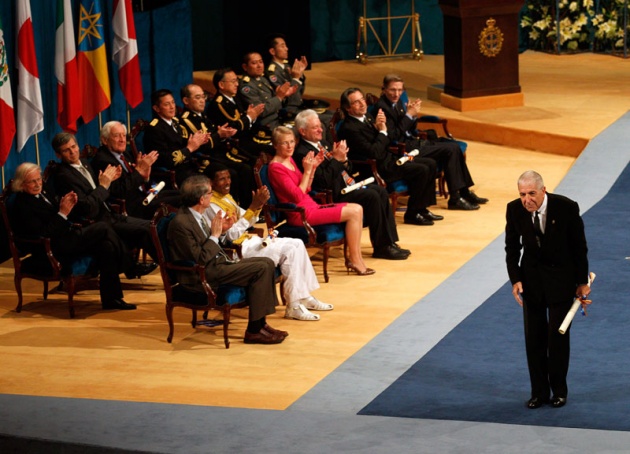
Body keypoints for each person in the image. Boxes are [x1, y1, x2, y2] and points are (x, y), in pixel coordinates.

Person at [505, 170, 591, 409]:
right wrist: (515, 279)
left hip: (561, 283)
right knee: (534, 339)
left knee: (557, 339)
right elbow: (511, 248)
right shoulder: (514, 209)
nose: (526, 199)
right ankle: (539, 393)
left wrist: (581, 282)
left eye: (531, 193)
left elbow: (579, 247)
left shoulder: (566, 208)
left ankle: (559, 391)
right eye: (522, 194)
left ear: (543, 190)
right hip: (531, 283)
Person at [167, 175, 287, 344]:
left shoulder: (196, 215)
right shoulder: (181, 223)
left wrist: (222, 232)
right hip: (201, 275)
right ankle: (254, 330)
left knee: (267, 262)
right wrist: (215, 235)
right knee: (261, 268)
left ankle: (260, 324)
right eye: (210, 193)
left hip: (216, 264)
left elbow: (210, 244)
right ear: (202, 199)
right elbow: (200, 259)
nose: (212, 195)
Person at [205, 163, 333, 321]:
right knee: (289, 251)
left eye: (228, 177)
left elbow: (248, 219)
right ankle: (293, 306)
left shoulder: (226, 197)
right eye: (222, 179)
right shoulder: (211, 204)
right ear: (211, 182)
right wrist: (253, 207)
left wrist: (256, 207)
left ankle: (304, 296)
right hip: (237, 249)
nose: (227, 182)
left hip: (250, 241)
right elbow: (230, 235)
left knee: (297, 243)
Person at [10, 163, 136, 310]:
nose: (38, 184)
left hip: (65, 237)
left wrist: (67, 203)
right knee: (102, 227)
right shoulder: (22, 204)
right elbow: (44, 233)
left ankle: (111, 299)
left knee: (106, 246)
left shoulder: (43, 193)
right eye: (32, 181)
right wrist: (63, 213)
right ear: (21, 184)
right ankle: (130, 266)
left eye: (39, 179)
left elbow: (57, 212)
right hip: (50, 248)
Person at [294, 109, 409, 260]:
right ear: (302, 131)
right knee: (372, 196)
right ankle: (381, 247)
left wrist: (344, 161)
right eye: (315, 127)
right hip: (330, 195)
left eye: (320, 126)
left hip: (346, 185)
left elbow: (345, 168)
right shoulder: (302, 152)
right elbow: (322, 181)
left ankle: (389, 243)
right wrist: (336, 160)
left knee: (380, 191)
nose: (321, 129)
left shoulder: (323, 144)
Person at [267, 125, 374, 276]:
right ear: (276, 145)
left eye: (292, 141)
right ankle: (354, 260)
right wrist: (307, 170)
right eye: (285, 143)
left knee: (357, 207)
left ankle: (356, 259)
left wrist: (313, 168)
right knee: (355, 211)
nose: (290, 146)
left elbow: (307, 188)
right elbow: (297, 196)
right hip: (300, 214)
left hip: (311, 206)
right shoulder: (275, 168)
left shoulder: (289, 160)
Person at [50, 132, 157, 278]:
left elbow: (100, 192)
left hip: (109, 213)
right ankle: (159, 270)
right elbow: (87, 207)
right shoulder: (63, 176)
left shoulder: (85, 163)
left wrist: (110, 180)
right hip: (95, 222)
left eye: (73, 146)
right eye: (66, 150)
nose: (72, 151)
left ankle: (167, 269)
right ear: (58, 155)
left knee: (150, 226)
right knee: (145, 230)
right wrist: (103, 186)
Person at [376, 74, 487, 210]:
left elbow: (409, 129)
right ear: (384, 89)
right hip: (403, 149)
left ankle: (464, 192)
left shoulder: (398, 102)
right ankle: (455, 199)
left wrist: (413, 116)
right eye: (393, 90)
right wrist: (409, 115)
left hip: (414, 142)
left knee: (453, 146)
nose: (397, 94)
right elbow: (393, 136)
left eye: (400, 90)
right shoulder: (381, 108)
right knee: (450, 149)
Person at [337, 87, 441, 226]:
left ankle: (422, 209)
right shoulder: (349, 128)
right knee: (422, 169)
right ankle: (412, 214)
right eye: (356, 102)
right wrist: (382, 131)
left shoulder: (367, 117)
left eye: (362, 99)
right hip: (378, 167)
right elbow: (374, 152)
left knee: (430, 163)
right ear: (348, 108)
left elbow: (386, 140)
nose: (362, 104)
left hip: (389, 159)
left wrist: (382, 127)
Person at [180, 83, 255, 207]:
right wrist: (219, 135)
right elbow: (201, 145)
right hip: (204, 159)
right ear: (186, 100)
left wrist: (224, 134)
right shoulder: (186, 120)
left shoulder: (202, 116)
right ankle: (235, 209)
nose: (202, 101)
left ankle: (248, 208)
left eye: (203, 96)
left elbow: (214, 133)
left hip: (217, 153)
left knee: (248, 165)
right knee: (233, 173)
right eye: (197, 97)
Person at [92, 121, 181, 220]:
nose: (122, 140)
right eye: (117, 136)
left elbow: (138, 180)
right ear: (105, 140)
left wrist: (145, 177)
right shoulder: (103, 161)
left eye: (124, 135)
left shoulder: (125, 154)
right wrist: (139, 171)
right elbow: (119, 191)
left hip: (147, 195)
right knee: (182, 199)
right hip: (134, 205)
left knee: (184, 193)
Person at [143, 88, 209, 186]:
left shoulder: (175, 122)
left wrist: (198, 141)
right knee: (204, 184)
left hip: (187, 166)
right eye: (167, 104)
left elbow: (181, 142)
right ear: (156, 108)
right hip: (172, 173)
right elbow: (166, 160)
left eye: (173, 102)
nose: (172, 107)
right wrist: (190, 148)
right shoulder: (154, 129)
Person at [206, 67, 267, 162]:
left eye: (237, 80)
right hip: (235, 143)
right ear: (221, 85)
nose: (237, 84)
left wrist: (251, 117)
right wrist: (250, 117)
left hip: (248, 135)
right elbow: (233, 127)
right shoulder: (218, 104)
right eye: (233, 81)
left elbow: (246, 116)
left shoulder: (235, 97)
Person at [237, 52, 297, 134]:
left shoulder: (263, 79)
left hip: (279, 118)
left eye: (261, 62)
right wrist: (279, 97)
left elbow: (276, 102)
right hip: (266, 125)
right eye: (254, 63)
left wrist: (283, 96)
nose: (259, 66)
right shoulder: (246, 87)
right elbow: (261, 111)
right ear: (245, 67)